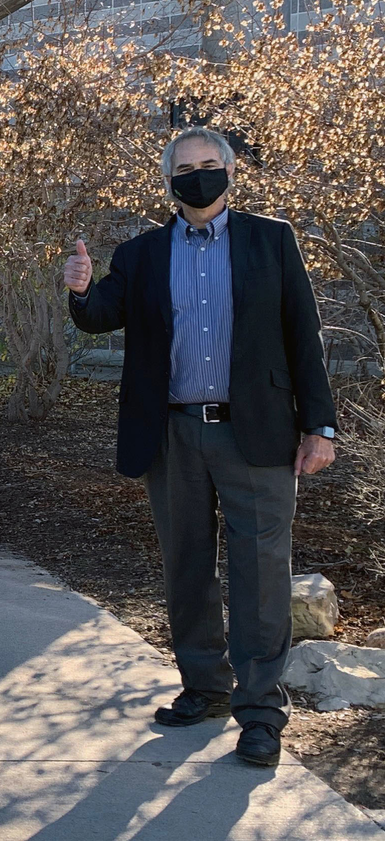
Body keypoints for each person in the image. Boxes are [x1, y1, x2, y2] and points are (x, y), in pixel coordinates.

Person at [65, 127, 335, 769]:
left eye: (209, 165)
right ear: (169, 180)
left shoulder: (272, 240)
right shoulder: (142, 253)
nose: (198, 175)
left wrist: (319, 426)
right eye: (185, 167)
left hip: (258, 433)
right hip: (174, 434)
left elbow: (305, 332)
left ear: (230, 172)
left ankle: (262, 713)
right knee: (186, 566)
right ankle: (205, 687)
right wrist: (79, 287)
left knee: (261, 576)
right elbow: (100, 314)